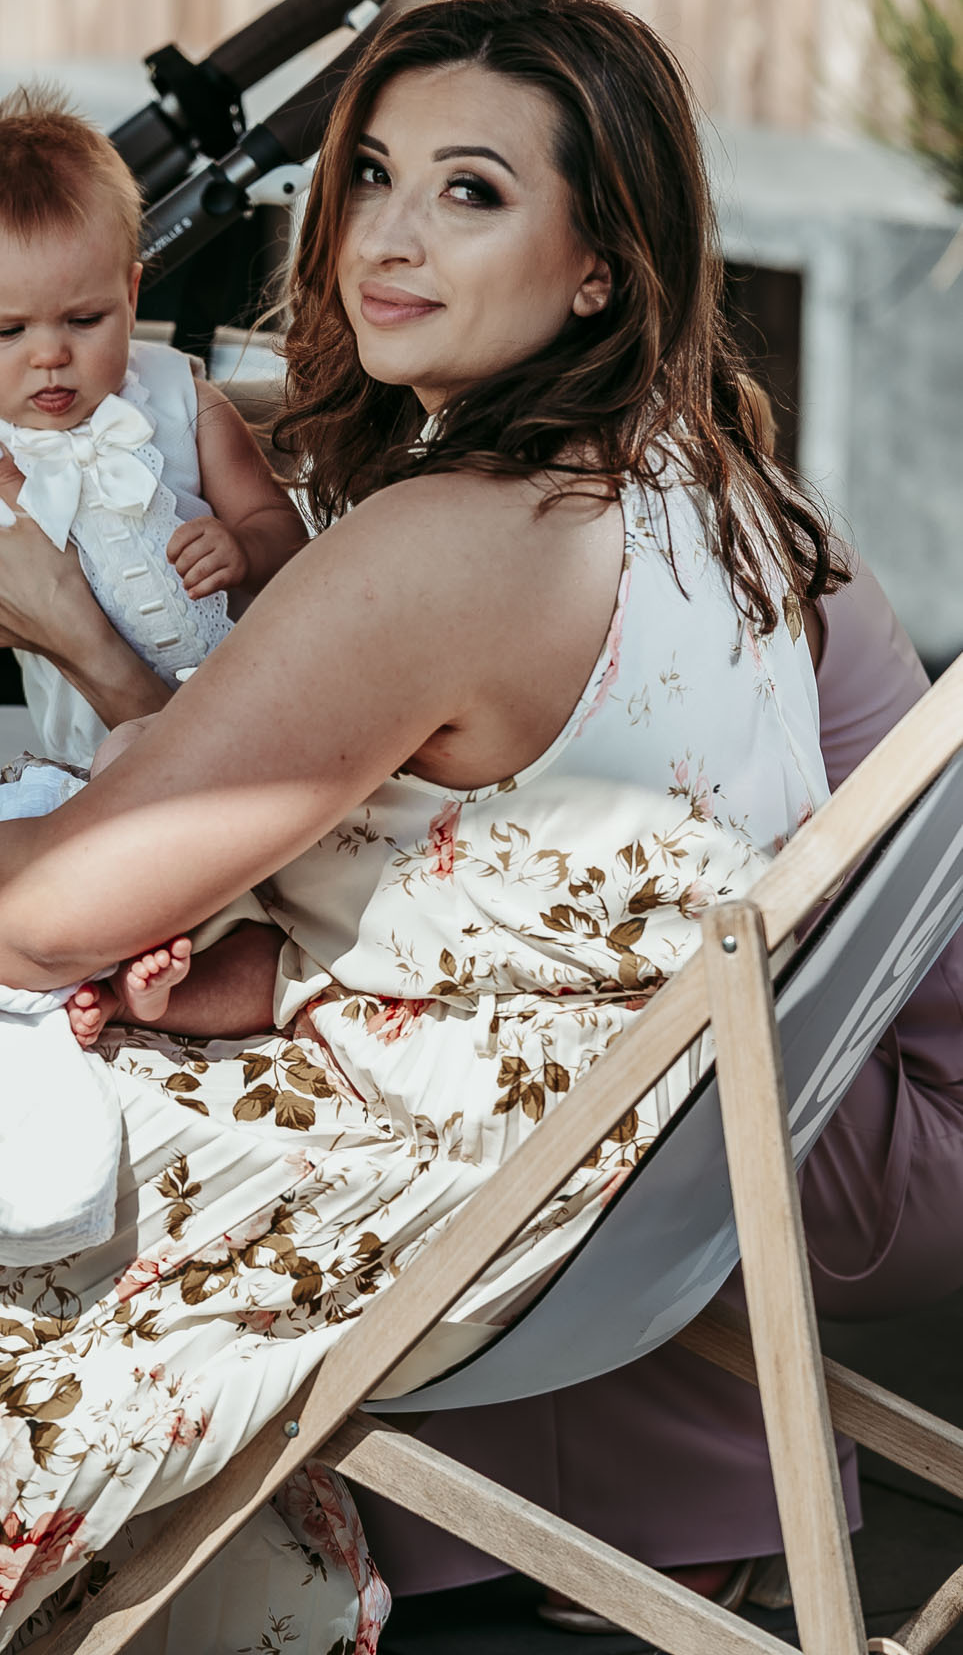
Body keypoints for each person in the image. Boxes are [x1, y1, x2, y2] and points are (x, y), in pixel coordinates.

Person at [0, 0, 845, 1655]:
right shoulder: (705, 481)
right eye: (373, 175)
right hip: (640, 1166)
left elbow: (50, 908)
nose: (386, 236)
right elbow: (489, 881)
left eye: (470, 192)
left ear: (596, 264)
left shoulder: (451, 544)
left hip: (463, 1199)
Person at [356, 551, 963, 1630]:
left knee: (477, 1027)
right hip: (873, 1067)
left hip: (864, 1131)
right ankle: (652, 1500)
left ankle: (656, 1507)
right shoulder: (732, 523)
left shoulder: (617, 575)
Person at [0, 87, 307, 774]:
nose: (49, 354)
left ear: (130, 295)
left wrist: (244, 546)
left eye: (84, 320)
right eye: (8, 330)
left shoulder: (185, 404)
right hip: (97, 747)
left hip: (263, 697)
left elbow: (283, 533)